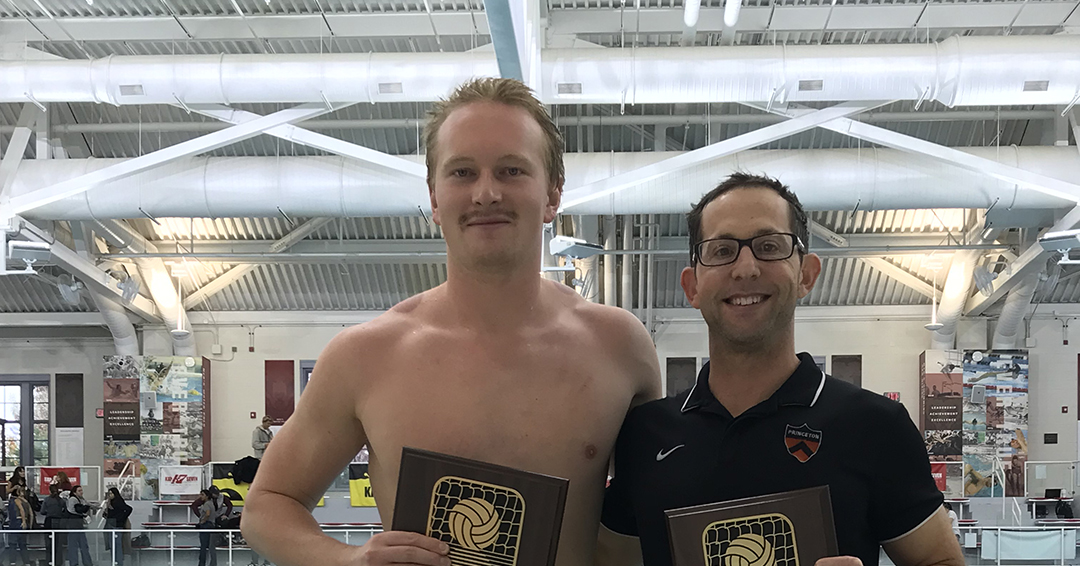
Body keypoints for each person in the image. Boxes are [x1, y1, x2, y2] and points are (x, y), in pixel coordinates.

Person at [241, 77, 662, 566]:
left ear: (552, 195)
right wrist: (346, 561)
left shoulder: (618, 348)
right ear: (435, 199)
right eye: (462, 172)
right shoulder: (366, 357)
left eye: (511, 170)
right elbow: (267, 505)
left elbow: (646, 518)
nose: (486, 193)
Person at [596, 173, 964, 566]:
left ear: (806, 274)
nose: (746, 268)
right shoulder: (644, 435)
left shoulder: (875, 427)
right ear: (692, 287)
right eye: (721, 251)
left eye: (769, 246)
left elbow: (940, 560)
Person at [0, 485, 32, 566]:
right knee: (23, 545)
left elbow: (21, 510)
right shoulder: (26, 502)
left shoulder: (16, 500)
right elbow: (31, 514)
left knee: (12, 544)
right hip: (24, 524)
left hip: (16, 523)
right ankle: (26, 562)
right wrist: (29, 524)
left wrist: (23, 521)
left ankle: (12, 562)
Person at [66, 485, 94, 566]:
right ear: (74, 492)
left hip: (78, 523)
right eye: (79, 491)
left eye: (81, 490)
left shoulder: (81, 499)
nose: (81, 492)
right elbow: (76, 510)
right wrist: (85, 510)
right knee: (74, 545)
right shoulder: (73, 499)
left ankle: (87, 562)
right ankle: (75, 563)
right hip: (73, 523)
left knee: (83, 544)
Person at [104, 487, 132, 566]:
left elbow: (128, 509)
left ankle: (118, 562)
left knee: (117, 545)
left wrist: (121, 518)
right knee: (112, 545)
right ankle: (114, 561)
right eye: (109, 494)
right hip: (111, 524)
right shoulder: (110, 502)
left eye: (111, 493)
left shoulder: (118, 502)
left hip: (116, 525)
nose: (110, 495)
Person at [42, 484, 67, 566]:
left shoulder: (47, 500)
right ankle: (58, 562)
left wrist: (49, 512)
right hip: (59, 522)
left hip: (49, 521)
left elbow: (42, 511)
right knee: (58, 544)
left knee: (48, 543)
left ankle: (49, 561)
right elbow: (65, 511)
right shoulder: (61, 501)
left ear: (49, 491)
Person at [197, 489, 219, 566]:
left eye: (202, 495)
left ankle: (202, 563)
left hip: (206, 525)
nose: (200, 496)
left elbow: (208, 514)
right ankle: (213, 563)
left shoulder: (206, 504)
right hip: (211, 525)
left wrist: (202, 521)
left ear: (207, 496)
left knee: (203, 546)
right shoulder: (211, 503)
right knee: (211, 546)